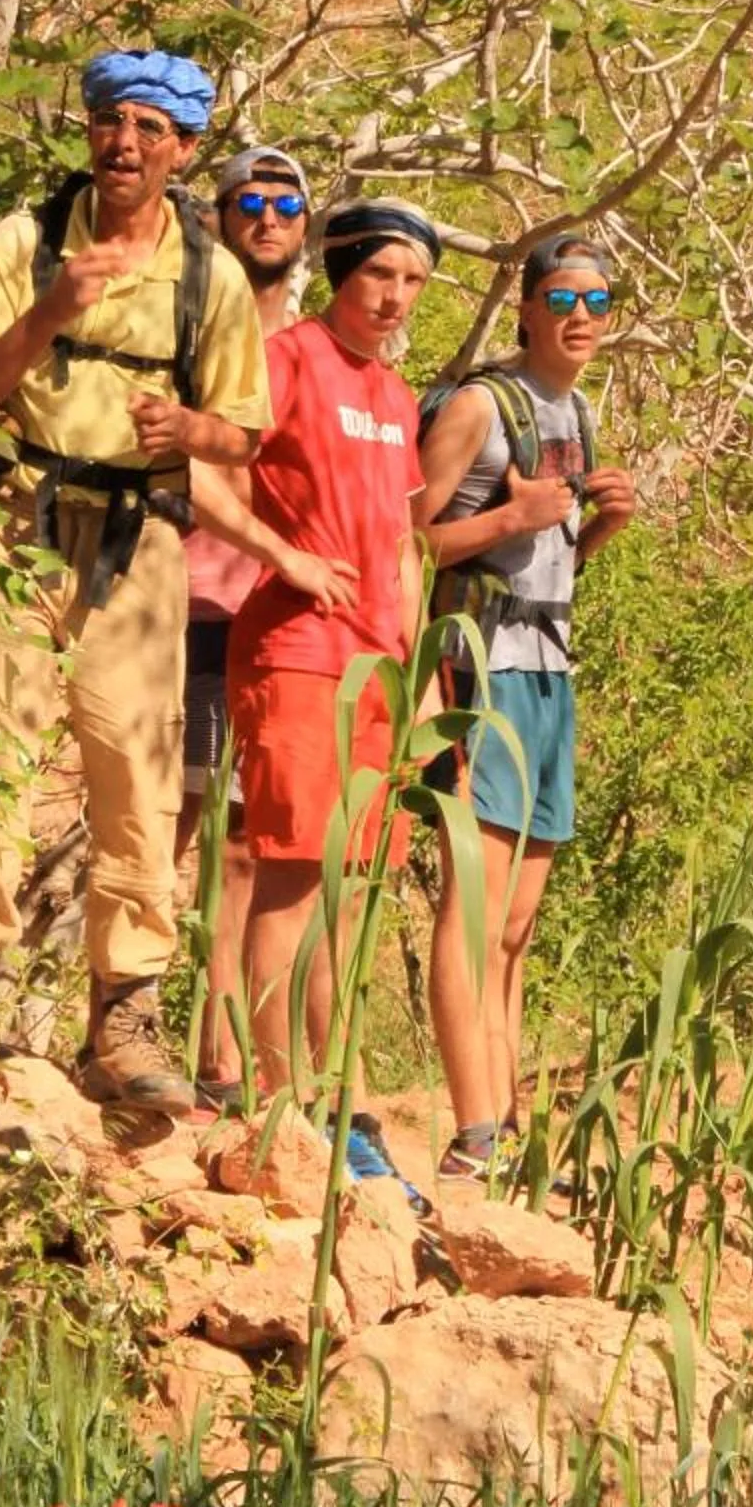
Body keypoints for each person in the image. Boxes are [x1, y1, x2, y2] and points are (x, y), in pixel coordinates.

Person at [0, 48, 272, 1111]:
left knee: (136, 772)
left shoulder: (208, 275)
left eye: (145, 130)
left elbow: (245, 436)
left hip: (139, 540)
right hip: (11, 522)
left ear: (181, 150)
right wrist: (47, 316)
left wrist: (189, 429)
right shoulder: (27, 242)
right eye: (105, 122)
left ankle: (124, 1015)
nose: (120, 144)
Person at [228, 198, 441, 1184]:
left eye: (411, 283)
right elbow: (199, 467)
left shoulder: (396, 398)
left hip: (374, 669)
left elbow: (400, 545)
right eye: (378, 276)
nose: (393, 298)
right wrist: (282, 557)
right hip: (294, 648)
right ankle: (277, 1107)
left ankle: (339, 1101)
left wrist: (419, 675)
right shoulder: (286, 359)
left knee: (352, 891)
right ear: (342, 271)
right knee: (290, 873)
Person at [415, 233, 636, 1178]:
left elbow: (548, 557)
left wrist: (600, 530)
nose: (580, 317)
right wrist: (511, 516)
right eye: (564, 299)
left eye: (598, 302)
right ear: (529, 307)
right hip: (479, 671)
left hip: (549, 667)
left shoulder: (574, 409)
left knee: (515, 923)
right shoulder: (479, 404)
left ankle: (503, 1123)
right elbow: (407, 538)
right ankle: (473, 1137)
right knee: (473, 906)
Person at [179, 147, 313, 1110]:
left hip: (272, 623)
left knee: (243, 844)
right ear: (221, 218)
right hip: (184, 600)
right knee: (165, 822)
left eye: (286, 203)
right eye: (249, 203)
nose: (268, 217)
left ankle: (221, 1053)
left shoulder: (314, 351)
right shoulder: (192, 335)